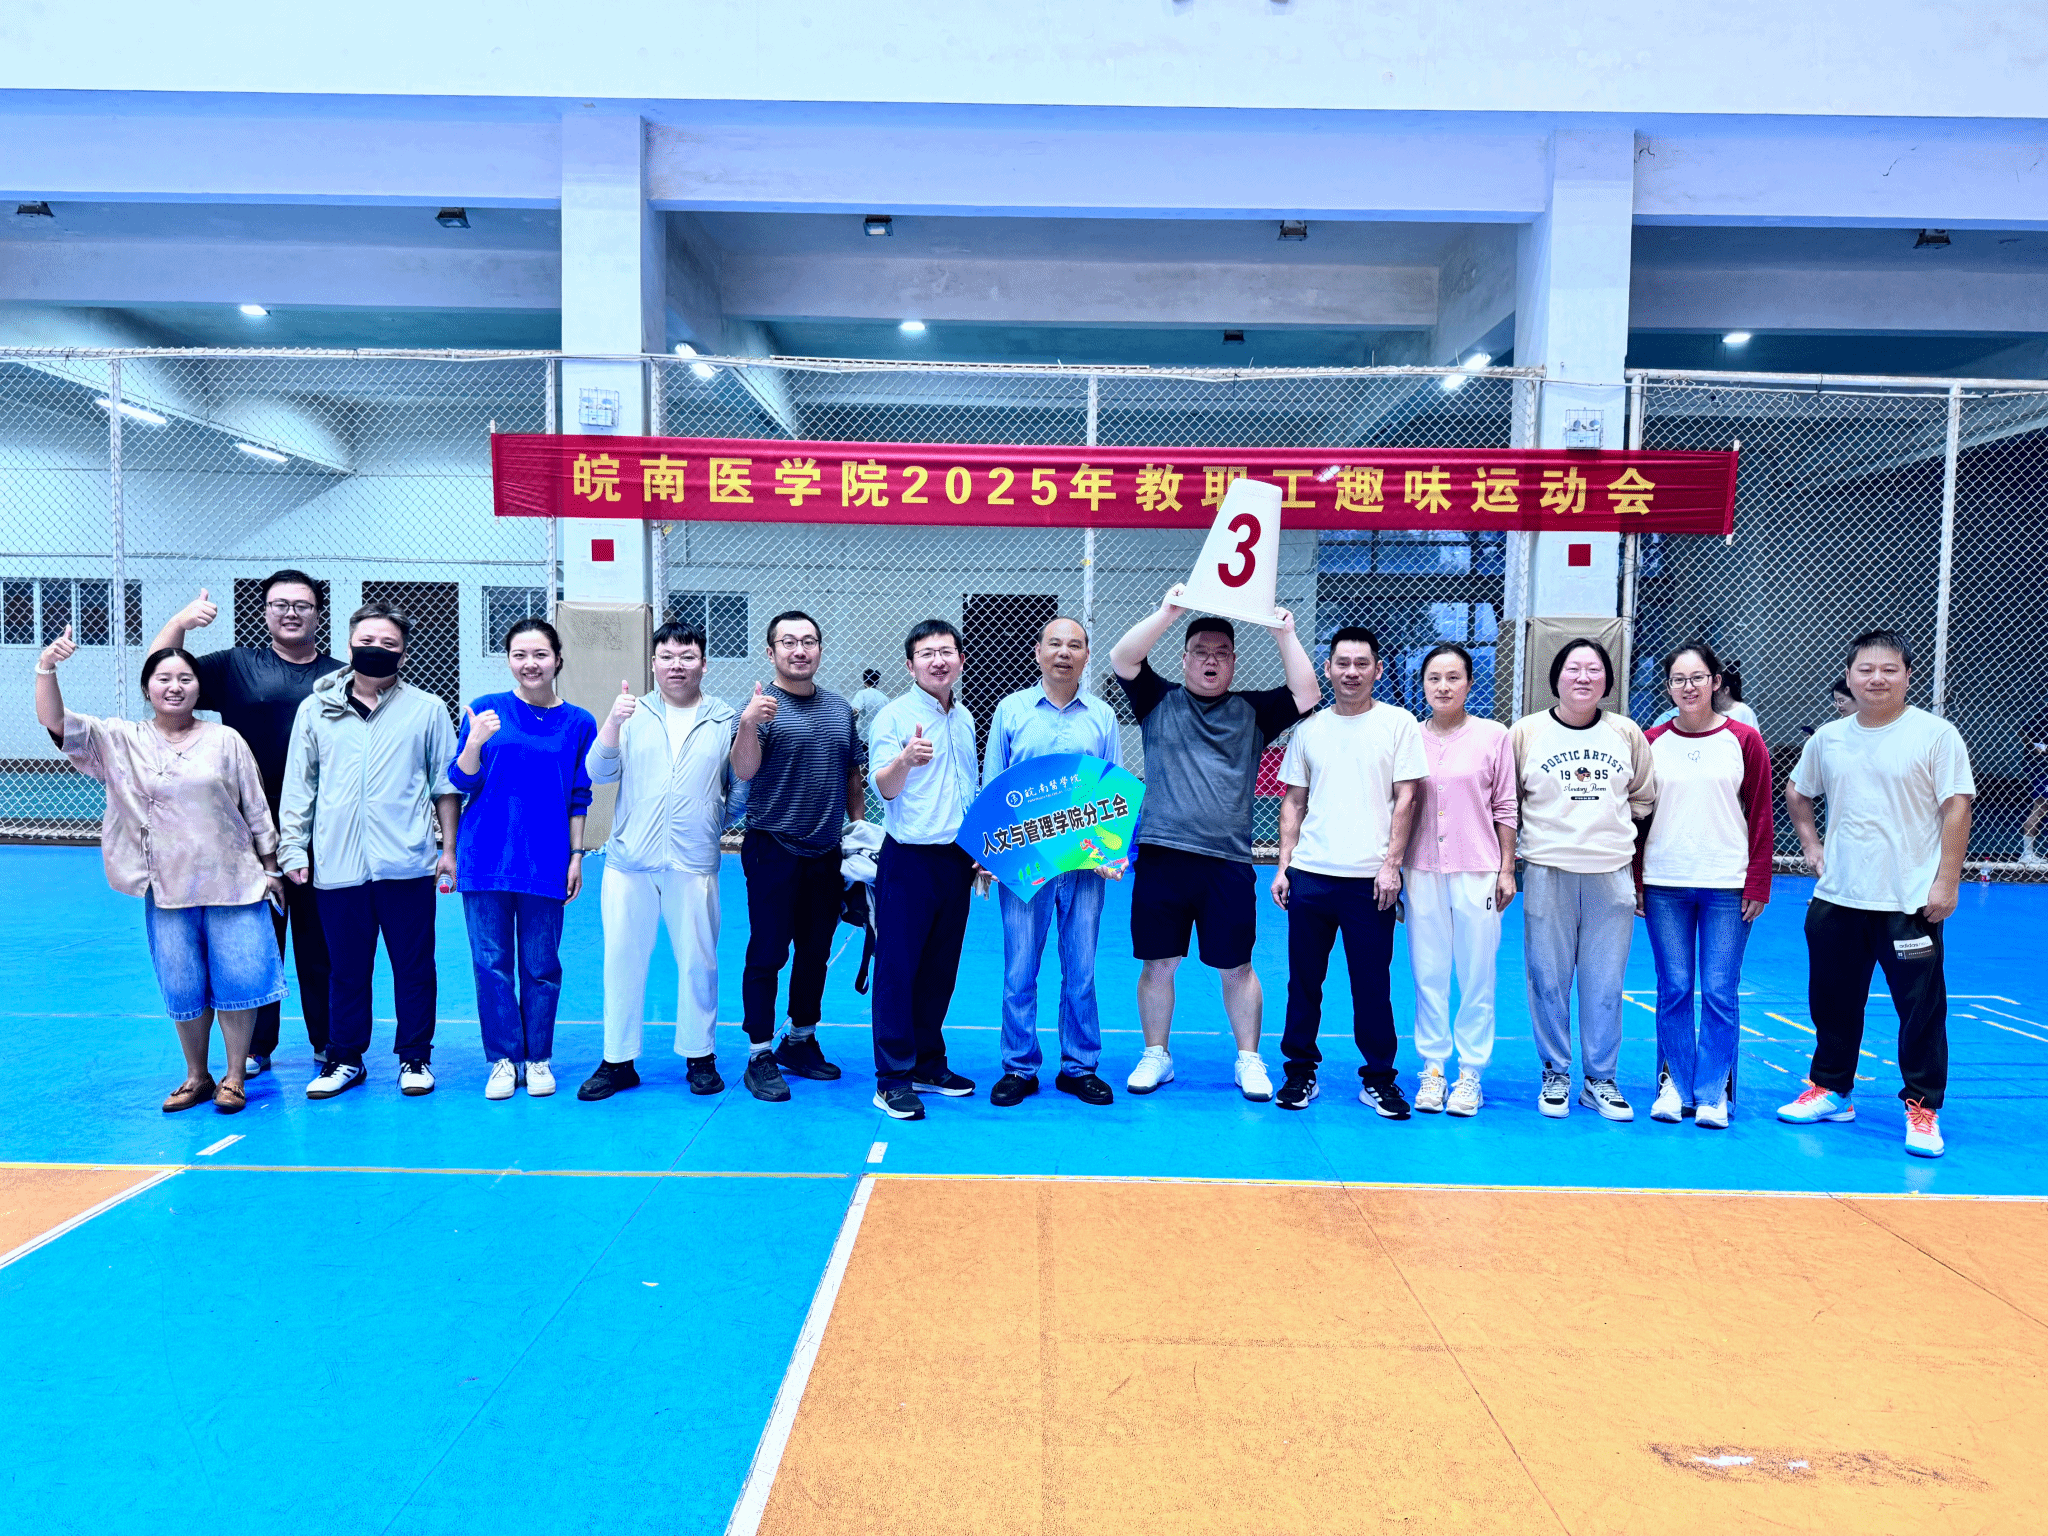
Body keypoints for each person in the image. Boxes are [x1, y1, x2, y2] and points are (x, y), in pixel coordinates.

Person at [37, 627, 288, 1113]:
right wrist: (46, 667)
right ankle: (196, 1076)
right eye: (164, 678)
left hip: (234, 880)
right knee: (183, 982)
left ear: (199, 688)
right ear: (147, 688)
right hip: (167, 885)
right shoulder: (120, 740)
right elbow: (56, 723)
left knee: (240, 979)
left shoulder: (225, 739)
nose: (175, 687)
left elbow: (256, 807)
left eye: (186, 679)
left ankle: (235, 1076)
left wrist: (271, 867)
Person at [1107, 593, 1321, 1100]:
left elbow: (1307, 693)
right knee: (1158, 962)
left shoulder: (1253, 711)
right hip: (1162, 856)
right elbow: (1122, 658)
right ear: (1184, 659)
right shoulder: (1157, 700)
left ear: (1233, 662)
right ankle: (1156, 1054)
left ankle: (1249, 1058)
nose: (1211, 660)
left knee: (1236, 966)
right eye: (1201, 651)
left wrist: (1285, 633)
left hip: (1227, 862)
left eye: (1222, 653)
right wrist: (1168, 613)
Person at [1778, 630, 1974, 1158]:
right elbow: (1798, 790)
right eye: (1865, 670)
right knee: (1833, 1002)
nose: (1877, 678)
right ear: (1849, 677)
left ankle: (1923, 1106)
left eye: (1889, 669)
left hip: (1909, 901)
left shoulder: (1936, 735)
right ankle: (1832, 1090)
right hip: (1838, 897)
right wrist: (1812, 845)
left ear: (1908, 675)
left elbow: (1957, 806)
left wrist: (1947, 880)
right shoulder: (1829, 738)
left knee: (1921, 1012)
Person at [151, 572, 342, 1079]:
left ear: (318, 614)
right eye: (280, 604)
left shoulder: (338, 677)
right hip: (245, 828)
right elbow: (162, 668)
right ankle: (257, 1047)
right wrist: (180, 622)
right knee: (258, 939)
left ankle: (329, 1042)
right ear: (265, 612)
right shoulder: (236, 665)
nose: (291, 613)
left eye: (302, 605)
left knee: (320, 941)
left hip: (319, 825)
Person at [278, 601, 461, 1100]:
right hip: (337, 864)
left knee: (414, 967)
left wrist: (448, 849)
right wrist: (293, 847)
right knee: (345, 970)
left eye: (388, 643)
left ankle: (415, 1057)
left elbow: (445, 785)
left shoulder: (427, 709)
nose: (376, 649)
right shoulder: (315, 709)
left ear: (403, 652)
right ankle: (345, 1058)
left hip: (406, 864)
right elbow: (300, 785)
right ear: (349, 644)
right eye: (367, 641)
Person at [580, 623, 743, 1102]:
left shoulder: (724, 719)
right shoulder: (632, 713)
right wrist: (613, 722)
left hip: (693, 862)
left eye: (687, 656)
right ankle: (617, 1060)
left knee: (699, 961)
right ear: (653, 664)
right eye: (667, 656)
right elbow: (598, 771)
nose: (677, 665)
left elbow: (738, 791)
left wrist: (706, 821)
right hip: (630, 860)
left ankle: (700, 1055)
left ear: (704, 664)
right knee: (622, 961)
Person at [1269, 627, 1426, 1116]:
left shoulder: (1399, 724)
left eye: (1361, 664)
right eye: (1342, 663)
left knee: (1372, 986)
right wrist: (1284, 866)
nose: (1351, 672)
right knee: (1303, 983)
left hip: (1370, 883)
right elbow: (1293, 801)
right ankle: (1299, 1072)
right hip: (1310, 877)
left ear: (1377, 670)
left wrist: (1391, 866)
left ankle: (1379, 1079)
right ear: (1328, 668)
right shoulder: (1309, 730)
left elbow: (1408, 797)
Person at [448, 618, 596, 1101]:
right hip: (485, 857)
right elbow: (462, 780)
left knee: (541, 965)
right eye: (519, 655)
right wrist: (474, 742)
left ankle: (538, 1058)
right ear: (509, 660)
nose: (530, 664)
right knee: (490, 963)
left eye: (540, 654)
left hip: (546, 859)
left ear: (557, 659)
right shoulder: (485, 709)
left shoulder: (579, 722)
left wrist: (576, 855)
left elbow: (579, 795)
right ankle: (503, 1059)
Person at [1510, 638, 1657, 1121]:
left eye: (1594, 669)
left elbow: (1642, 799)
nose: (1583, 677)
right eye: (1573, 668)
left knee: (1605, 983)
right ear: (1556, 677)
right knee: (1547, 979)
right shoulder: (1527, 732)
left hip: (1610, 874)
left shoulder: (1626, 732)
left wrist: (1618, 850)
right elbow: (1509, 802)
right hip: (1547, 871)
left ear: (1607, 680)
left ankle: (1600, 1079)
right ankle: (1555, 1071)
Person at [983, 617, 1122, 1108]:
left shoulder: (1102, 716)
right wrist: (990, 856)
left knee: (1081, 970)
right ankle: (1019, 1067)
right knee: (1019, 969)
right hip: (1026, 861)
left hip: (1084, 865)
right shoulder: (1011, 710)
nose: (1065, 652)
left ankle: (1079, 1066)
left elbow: (1111, 788)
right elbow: (994, 784)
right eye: (1055, 644)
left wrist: (1111, 852)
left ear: (1087, 656)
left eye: (1075, 645)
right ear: (1039, 652)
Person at [729, 610, 865, 1098]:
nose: (799, 650)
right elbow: (744, 771)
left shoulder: (839, 708)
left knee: (815, 951)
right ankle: (759, 1052)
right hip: (773, 847)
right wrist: (748, 723)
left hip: (826, 851)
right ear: (771, 652)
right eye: (788, 642)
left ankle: (800, 1040)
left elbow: (851, 775)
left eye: (808, 641)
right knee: (768, 950)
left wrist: (858, 833)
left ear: (820, 650)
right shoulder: (761, 709)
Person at [1639, 640, 1773, 1129]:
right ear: (1668, 687)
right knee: (1674, 987)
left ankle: (1714, 1091)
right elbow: (1638, 818)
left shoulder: (1744, 740)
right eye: (1678, 679)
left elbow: (1761, 814)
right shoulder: (1651, 741)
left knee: (1719, 989)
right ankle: (1674, 1083)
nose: (1688, 687)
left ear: (1716, 682)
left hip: (1726, 885)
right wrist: (1636, 879)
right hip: (1664, 883)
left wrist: (1757, 882)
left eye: (1697, 678)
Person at [867, 619, 984, 1120]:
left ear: (960, 659)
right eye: (926, 653)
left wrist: (979, 849)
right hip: (909, 859)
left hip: (955, 860)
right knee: (897, 969)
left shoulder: (965, 718)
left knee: (940, 968)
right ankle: (893, 1078)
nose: (938, 660)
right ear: (910, 665)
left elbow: (968, 789)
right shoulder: (893, 717)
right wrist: (905, 761)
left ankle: (928, 1063)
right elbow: (883, 788)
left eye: (946, 651)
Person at [1402, 642, 1517, 1117]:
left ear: (1469, 683)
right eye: (1434, 678)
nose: (1444, 686)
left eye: (1453, 677)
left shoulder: (1494, 736)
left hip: (1478, 869)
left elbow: (1505, 806)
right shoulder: (1408, 736)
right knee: (1428, 972)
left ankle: (1470, 1073)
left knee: (1476, 974)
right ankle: (1432, 1068)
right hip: (1421, 869)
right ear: (1422, 684)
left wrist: (1506, 868)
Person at [2019, 706, 2048, 865]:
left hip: (2041, 769)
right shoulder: (2043, 715)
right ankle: (2027, 854)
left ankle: (2028, 853)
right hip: (2043, 770)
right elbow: (2022, 731)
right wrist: (2039, 747)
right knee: (2039, 808)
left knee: (2040, 809)